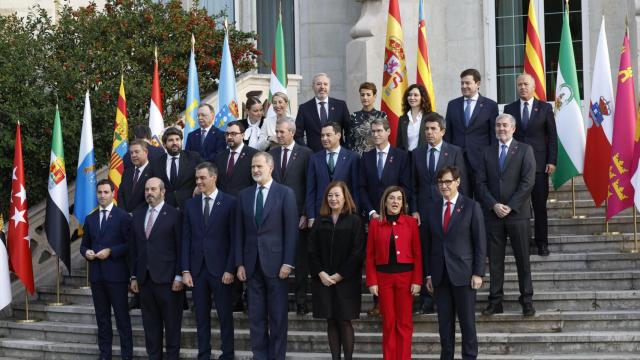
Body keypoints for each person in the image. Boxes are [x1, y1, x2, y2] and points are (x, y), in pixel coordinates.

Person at [235, 152, 298, 360]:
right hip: (252, 266)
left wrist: (288, 262)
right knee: (256, 318)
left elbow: (291, 232)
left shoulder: (285, 193)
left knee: (278, 318)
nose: (255, 170)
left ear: (270, 168)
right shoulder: (244, 195)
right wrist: (239, 264)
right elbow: (239, 233)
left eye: (259, 166)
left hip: (277, 265)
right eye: (253, 167)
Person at [423, 166, 486, 360]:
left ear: (457, 182)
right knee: (445, 325)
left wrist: (478, 272)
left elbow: (480, 242)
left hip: (464, 275)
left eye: (448, 182)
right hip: (440, 276)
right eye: (440, 182)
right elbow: (427, 244)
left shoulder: (471, 206)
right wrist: (428, 274)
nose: (444, 186)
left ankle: (469, 356)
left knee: (467, 324)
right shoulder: (432, 208)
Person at [477, 114, 536, 317]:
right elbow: (480, 183)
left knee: (523, 259)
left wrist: (510, 206)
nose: (501, 128)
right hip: (493, 215)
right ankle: (495, 301)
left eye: (505, 125)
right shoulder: (486, 152)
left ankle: (526, 300)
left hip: (517, 214)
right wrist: (494, 205)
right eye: (498, 125)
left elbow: (528, 182)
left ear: (513, 128)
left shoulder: (525, 150)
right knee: (494, 260)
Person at [181, 162, 236, 360]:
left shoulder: (230, 202)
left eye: (202, 178)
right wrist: (185, 270)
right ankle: (203, 354)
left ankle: (227, 354)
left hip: (221, 270)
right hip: (197, 271)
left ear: (214, 177)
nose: (199, 182)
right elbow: (185, 238)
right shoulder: (190, 204)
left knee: (224, 316)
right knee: (201, 317)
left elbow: (234, 239)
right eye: (197, 178)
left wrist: (231, 268)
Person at [359, 117, 410, 316]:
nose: (376, 135)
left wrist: (396, 209)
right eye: (373, 131)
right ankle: (378, 302)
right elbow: (362, 187)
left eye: (380, 131)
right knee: (378, 256)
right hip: (374, 218)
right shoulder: (367, 157)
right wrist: (371, 211)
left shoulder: (401, 156)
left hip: (396, 217)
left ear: (389, 132)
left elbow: (405, 186)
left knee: (394, 256)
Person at [129, 177, 184, 359]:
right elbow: (134, 249)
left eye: (153, 189)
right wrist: (134, 277)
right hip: (145, 281)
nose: (149, 193)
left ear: (162, 192)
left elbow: (180, 247)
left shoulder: (175, 215)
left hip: (169, 281)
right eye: (146, 189)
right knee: (150, 328)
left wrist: (179, 276)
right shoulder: (137, 215)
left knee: (172, 327)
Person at [503, 73, 558, 256]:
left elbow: (552, 137)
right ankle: (524, 243)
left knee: (539, 206)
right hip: (516, 166)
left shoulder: (544, 108)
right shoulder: (509, 108)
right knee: (519, 207)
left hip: (540, 166)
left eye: (526, 84)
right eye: (519, 85)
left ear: (533, 87)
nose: (522, 87)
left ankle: (542, 243)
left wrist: (552, 160)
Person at [366, 186, 422, 360]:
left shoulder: (411, 222)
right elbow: (370, 256)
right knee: (389, 323)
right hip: (384, 279)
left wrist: (417, 280)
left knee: (404, 323)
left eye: (399, 198)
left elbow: (418, 254)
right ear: (385, 201)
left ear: (403, 203)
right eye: (392, 198)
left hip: (406, 278)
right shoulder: (375, 223)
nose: (395, 202)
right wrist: (372, 281)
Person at [309, 181, 364, 360]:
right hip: (323, 280)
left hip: (346, 281)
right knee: (330, 320)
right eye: (330, 196)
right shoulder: (319, 220)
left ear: (345, 197)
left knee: (344, 320)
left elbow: (357, 252)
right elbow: (311, 250)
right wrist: (321, 273)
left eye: (337, 195)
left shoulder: (354, 221)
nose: (333, 199)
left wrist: (340, 275)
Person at [80, 179, 133, 360]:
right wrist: (86, 252)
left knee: (122, 319)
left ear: (113, 194)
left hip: (117, 276)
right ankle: (105, 355)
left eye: (105, 192)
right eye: (99, 192)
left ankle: (127, 355)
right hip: (97, 276)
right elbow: (83, 245)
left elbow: (129, 245)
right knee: (102, 320)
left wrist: (111, 251)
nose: (102, 195)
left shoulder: (123, 217)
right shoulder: (90, 218)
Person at [270, 117, 314, 315]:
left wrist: (305, 212)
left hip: (298, 216)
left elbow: (309, 186)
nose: (278, 135)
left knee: (301, 261)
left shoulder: (306, 154)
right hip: (275, 217)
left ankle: (301, 301)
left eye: (282, 132)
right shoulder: (271, 153)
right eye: (277, 132)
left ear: (292, 132)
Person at [444, 68, 499, 198]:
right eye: (462, 83)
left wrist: (492, 160)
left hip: (481, 162)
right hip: (458, 162)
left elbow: (493, 135)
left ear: (478, 84)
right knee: (461, 200)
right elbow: (448, 134)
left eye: (467, 83)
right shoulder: (453, 105)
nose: (464, 86)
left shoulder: (490, 105)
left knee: (482, 201)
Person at [306, 122, 360, 228]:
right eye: (322, 135)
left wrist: (355, 214)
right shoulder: (314, 159)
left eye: (328, 135)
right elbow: (311, 189)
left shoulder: (352, 157)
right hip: (321, 213)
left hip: (345, 213)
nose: (324, 138)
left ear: (338, 135)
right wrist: (311, 216)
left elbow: (356, 189)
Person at [295, 73, 351, 152]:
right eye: (318, 84)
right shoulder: (304, 108)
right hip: (313, 156)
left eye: (325, 84)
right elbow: (297, 135)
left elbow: (349, 131)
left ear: (329, 86)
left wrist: (345, 149)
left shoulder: (340, 106)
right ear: (313, 87)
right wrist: (306, 152)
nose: (322, 87)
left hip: (338, 156)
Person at [149, 127, 202, 209]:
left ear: (181, 142)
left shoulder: (193, 157)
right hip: (165, 208)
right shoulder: (156, 163)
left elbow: (207, 172)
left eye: (177, 139)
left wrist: (199, 186)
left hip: (190, 206)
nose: (175, 143)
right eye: (171, 140)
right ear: (164, 144)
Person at [214, 121, 259, 196]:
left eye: (233, 134)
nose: (229, 137)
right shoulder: (220, 156)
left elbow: (256, 183)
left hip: (243, 202)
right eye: (227, 134)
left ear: (243, 135)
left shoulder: (254, 155)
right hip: (222, 202)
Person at [347, 82, 387, 155]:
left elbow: (385, 139)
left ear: (374, 96)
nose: (365, 97)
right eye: (362, 95)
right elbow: (350, 141)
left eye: (368, 95)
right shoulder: (354, 116)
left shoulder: (381, 115)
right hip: (357, 159)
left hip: (376, 157)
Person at [118, 139, 153, 213]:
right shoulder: (127, 172)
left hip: (144, 216)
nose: (133, 155)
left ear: (146, 152)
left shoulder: (154, 171)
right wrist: (123, 213)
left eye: (136, 152)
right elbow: (121, 194)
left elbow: (152, 197)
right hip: (125, 218)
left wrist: (134, 214)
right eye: (131, 153)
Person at [396, 83, 433, 152]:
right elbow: (399, 144)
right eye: (409, 95)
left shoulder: (431, 117)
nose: (412, 98)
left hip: (425, 157)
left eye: (416, 95)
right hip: (406, 159)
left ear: (422, 97)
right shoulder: (403, 119)